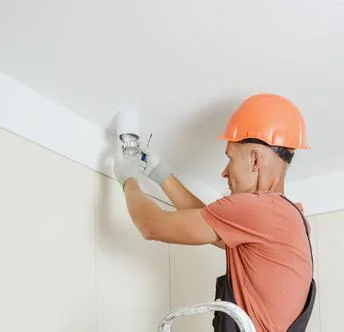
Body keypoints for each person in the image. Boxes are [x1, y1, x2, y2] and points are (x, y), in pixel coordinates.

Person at [113, 93, 316, 332]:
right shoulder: (287, 218)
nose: (224, 172)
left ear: (254, 160)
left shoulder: (260, 209)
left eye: (230, 158)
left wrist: (128, 180)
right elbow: (207, 220)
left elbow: (152, 226)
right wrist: (160, 174)